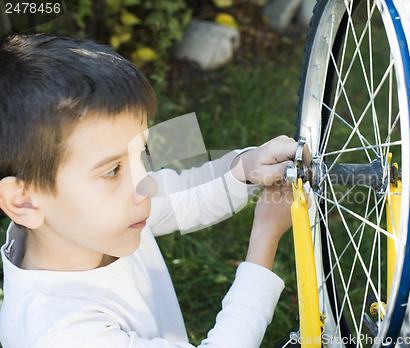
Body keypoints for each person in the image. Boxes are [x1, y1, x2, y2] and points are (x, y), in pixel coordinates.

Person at [0, 34, 300, 347]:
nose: (149, 183)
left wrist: (247, 167)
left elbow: (187, 194)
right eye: (113, 170)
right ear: (24, 201)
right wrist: (266, 234)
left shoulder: (88, 222)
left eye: (142, 154)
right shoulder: (60, 333)